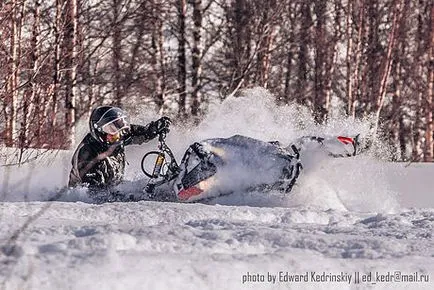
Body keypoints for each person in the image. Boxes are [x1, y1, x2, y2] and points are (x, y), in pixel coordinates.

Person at [68, 106, 171, 194]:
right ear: (98, 130)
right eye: (110, 129)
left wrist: (155, 128)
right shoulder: (87, 154)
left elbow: (139, 133)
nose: (118, 134)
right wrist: (130, 198)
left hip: (113, 189)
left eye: (119, 128)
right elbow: (95, 194)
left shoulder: (113, 139)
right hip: (85, 206)